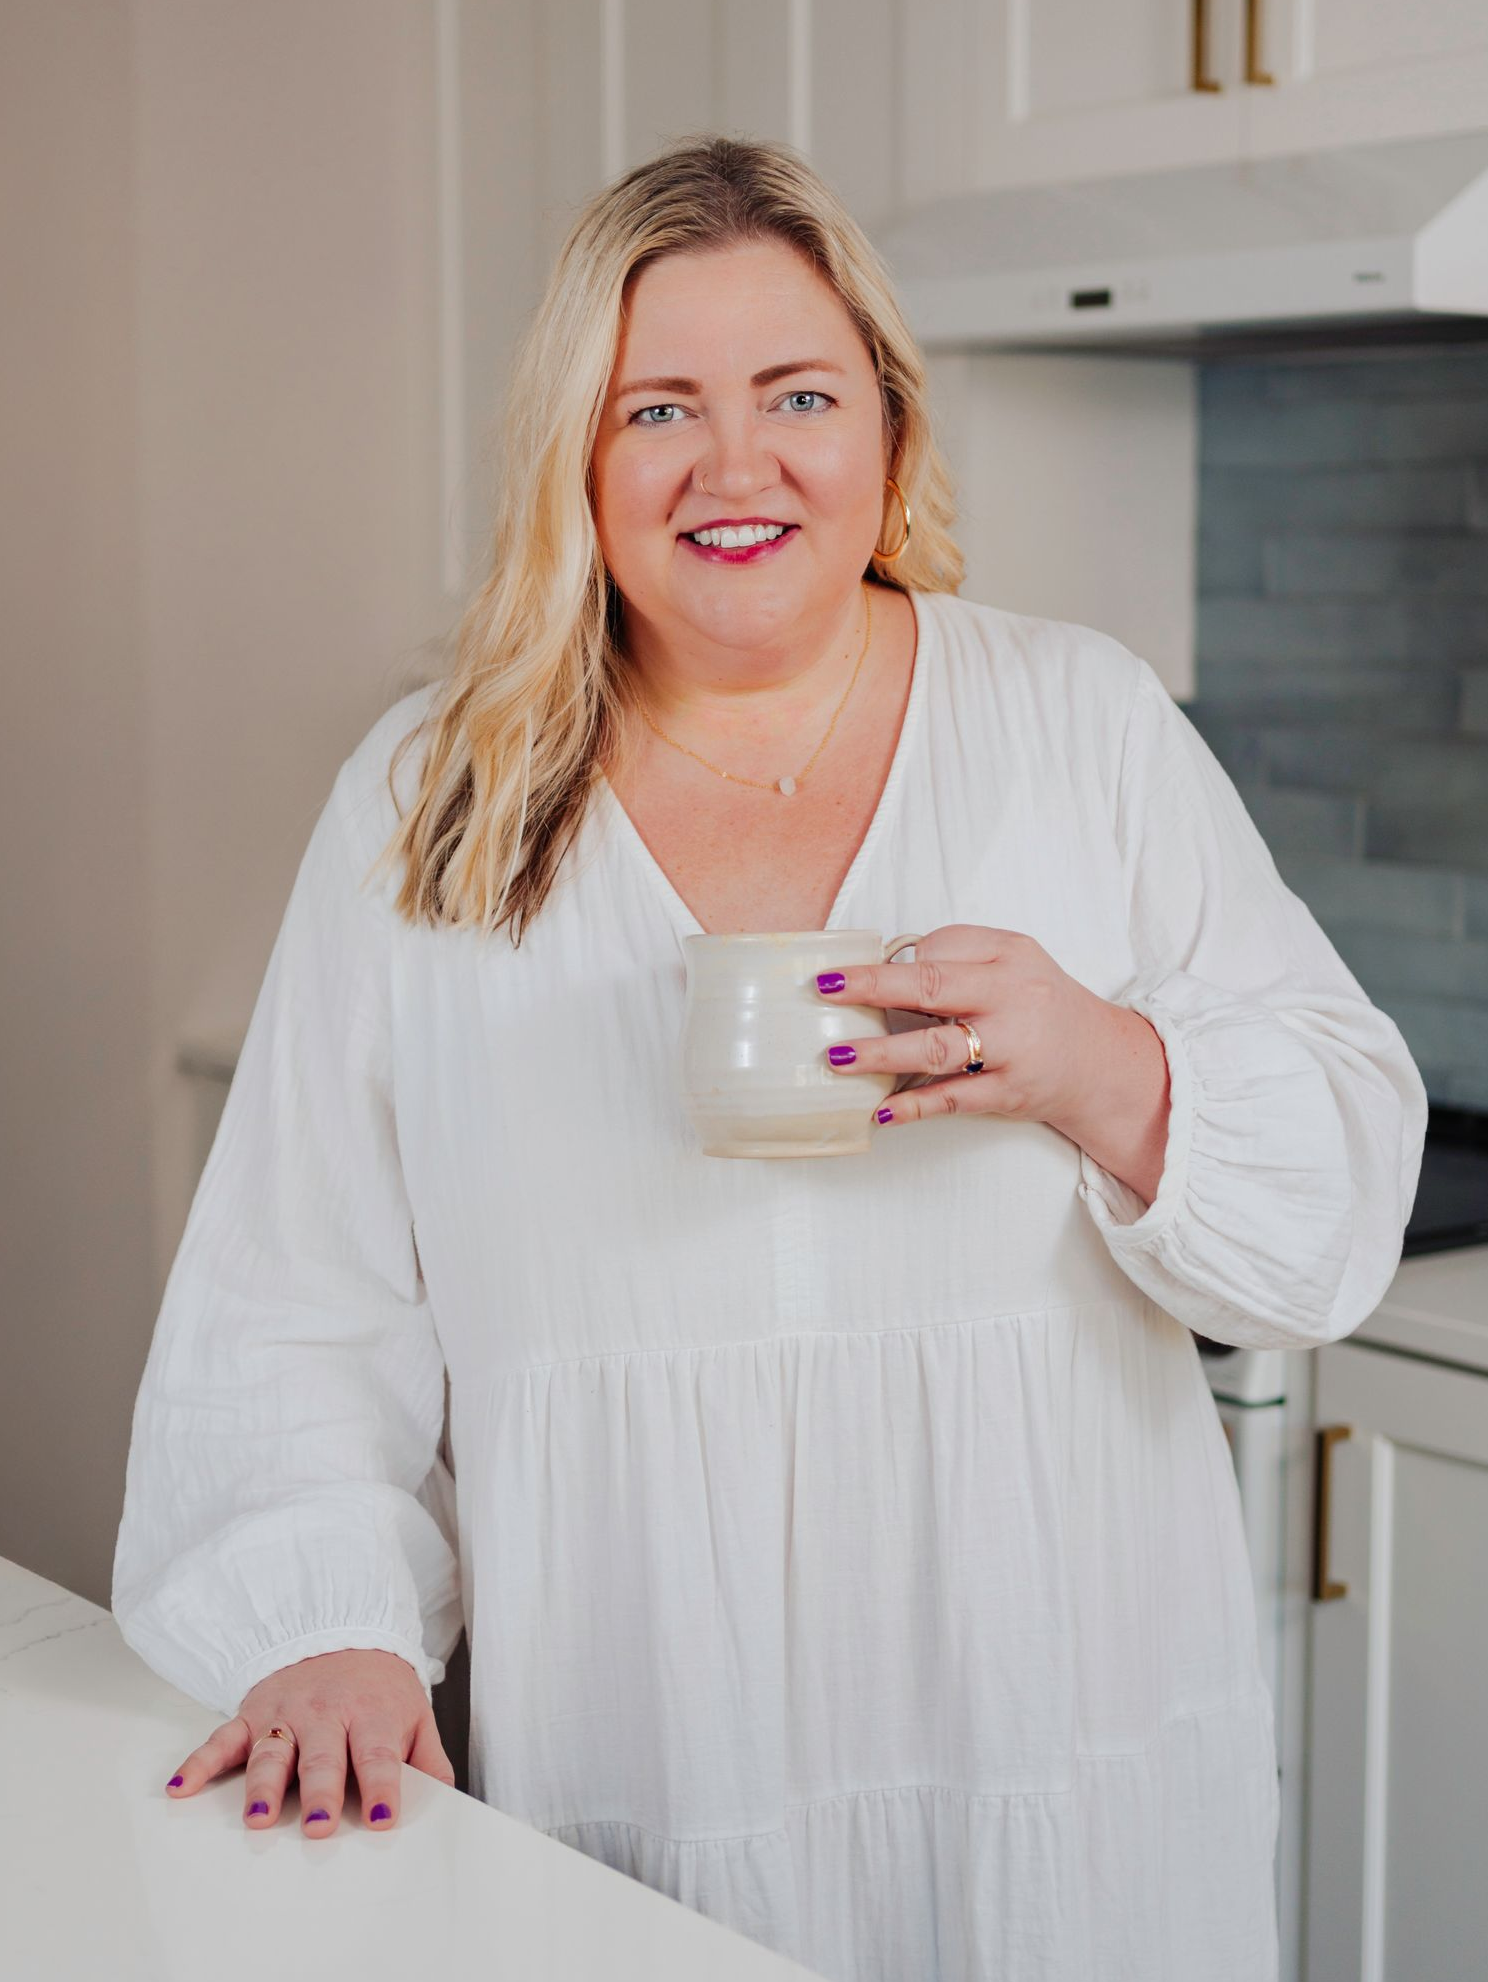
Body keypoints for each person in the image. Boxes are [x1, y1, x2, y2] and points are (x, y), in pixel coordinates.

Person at [112, 134, 1427, 1982]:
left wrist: (1092, 1058)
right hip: (651, 1755)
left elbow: (1338, 1192)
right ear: (578, 452)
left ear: (884, 426)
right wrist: (328, 1620)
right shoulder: (437, 800)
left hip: (1063, 1758)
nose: (737, 465)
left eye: (797, 394)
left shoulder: (1077, 725)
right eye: (660, 406)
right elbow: (297, 1302)